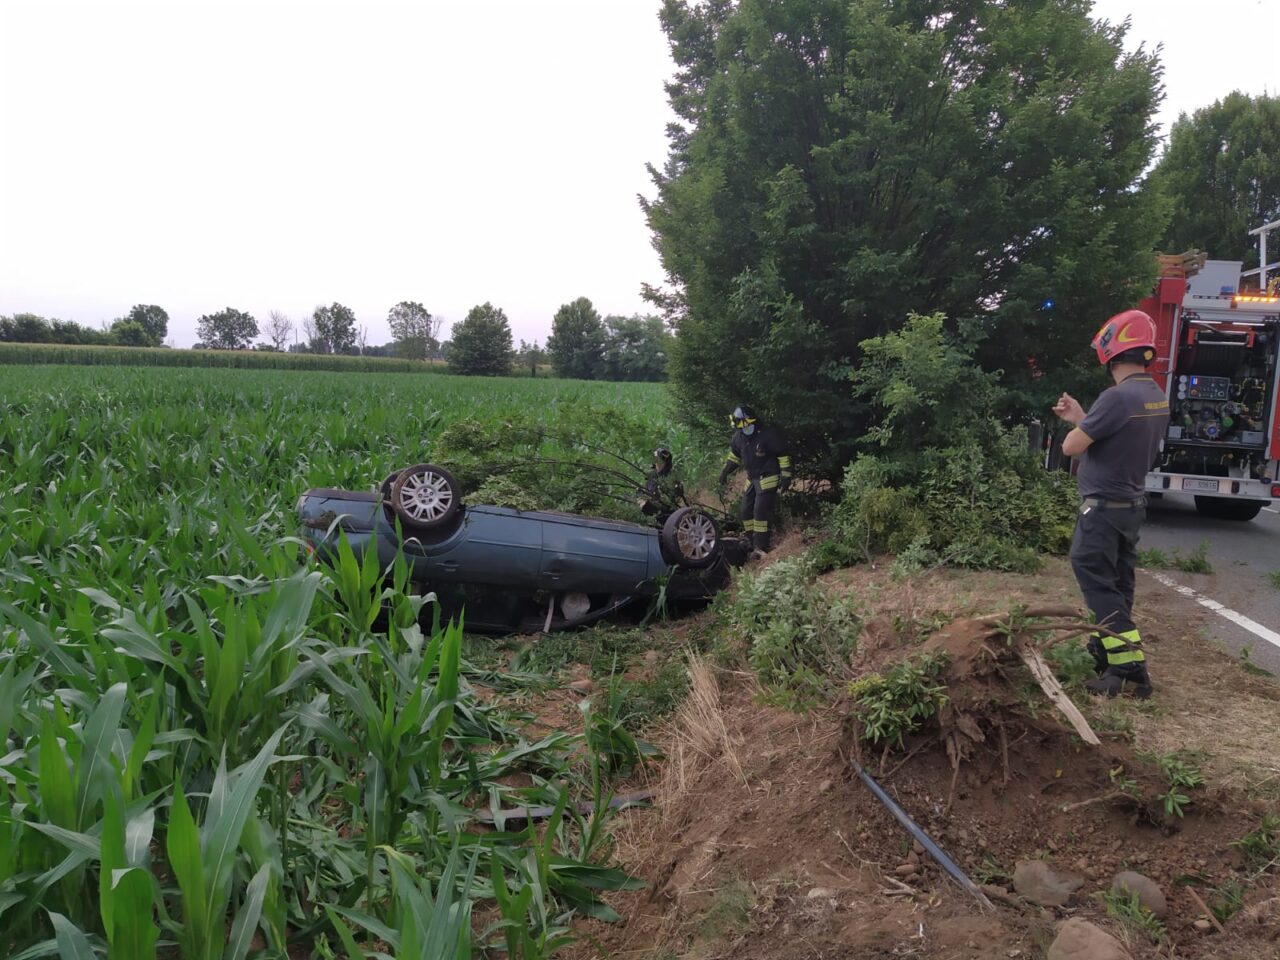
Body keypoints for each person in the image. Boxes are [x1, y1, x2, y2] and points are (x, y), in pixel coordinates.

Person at [1053, 309, 1169, 699]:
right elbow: (1111, 439)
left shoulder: (1118, 397)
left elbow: (1073, 447)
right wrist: (1081, 417)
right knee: (1118, 585)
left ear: (1110, 350)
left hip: (1102, 510)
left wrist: (1077, 425)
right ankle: (1105, 654)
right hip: (1130, 505)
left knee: (1096, 580)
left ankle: (1129, 668)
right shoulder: (1153, 396)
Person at [716, 404, 792, 558]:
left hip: (768, 476)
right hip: (752, 478)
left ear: (750, 421)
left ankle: (761, 546)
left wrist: (786, 476)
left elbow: (783, 454)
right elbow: (734, 457)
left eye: (745, 425)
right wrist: (725, 472)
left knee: (760, 511)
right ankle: (750, 539)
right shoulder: (738, 437)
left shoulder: (768, 434)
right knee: (745, 510)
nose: (743, 428)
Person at [636, 446, 684, 518]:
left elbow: (675, 497)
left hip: (666, 513)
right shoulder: (652, 476)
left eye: (659, 459)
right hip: (651, 511)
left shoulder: (671, 476)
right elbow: (644, 491)